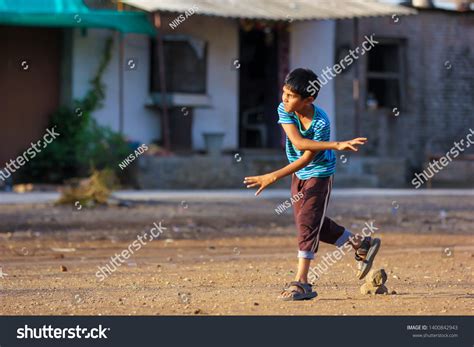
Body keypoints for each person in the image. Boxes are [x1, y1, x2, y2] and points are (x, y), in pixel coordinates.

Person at [243, 68, 381, 301]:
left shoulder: (321, 122)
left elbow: (307, 156)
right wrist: (336, 145)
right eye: (284, 93)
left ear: (309, 99)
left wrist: (272, 176)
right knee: (311, 222)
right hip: (299, 173)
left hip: (319, 174)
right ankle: (360, 243)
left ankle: (302, 282)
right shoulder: (284, 108)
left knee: (307, 224)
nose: (285, 98)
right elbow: (297, 141)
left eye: (291, 95)